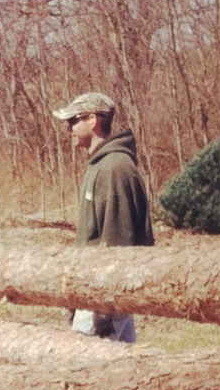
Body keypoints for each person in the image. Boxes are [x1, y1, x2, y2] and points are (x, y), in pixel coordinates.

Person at [51, 90, 154, 343]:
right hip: (96, 293)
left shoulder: (114, 168)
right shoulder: (101, 164)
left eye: (74, 121)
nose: (69, 129)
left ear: (93, 121)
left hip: (104, 297)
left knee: (81, 373)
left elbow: (118, 243)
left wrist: (103, 312)